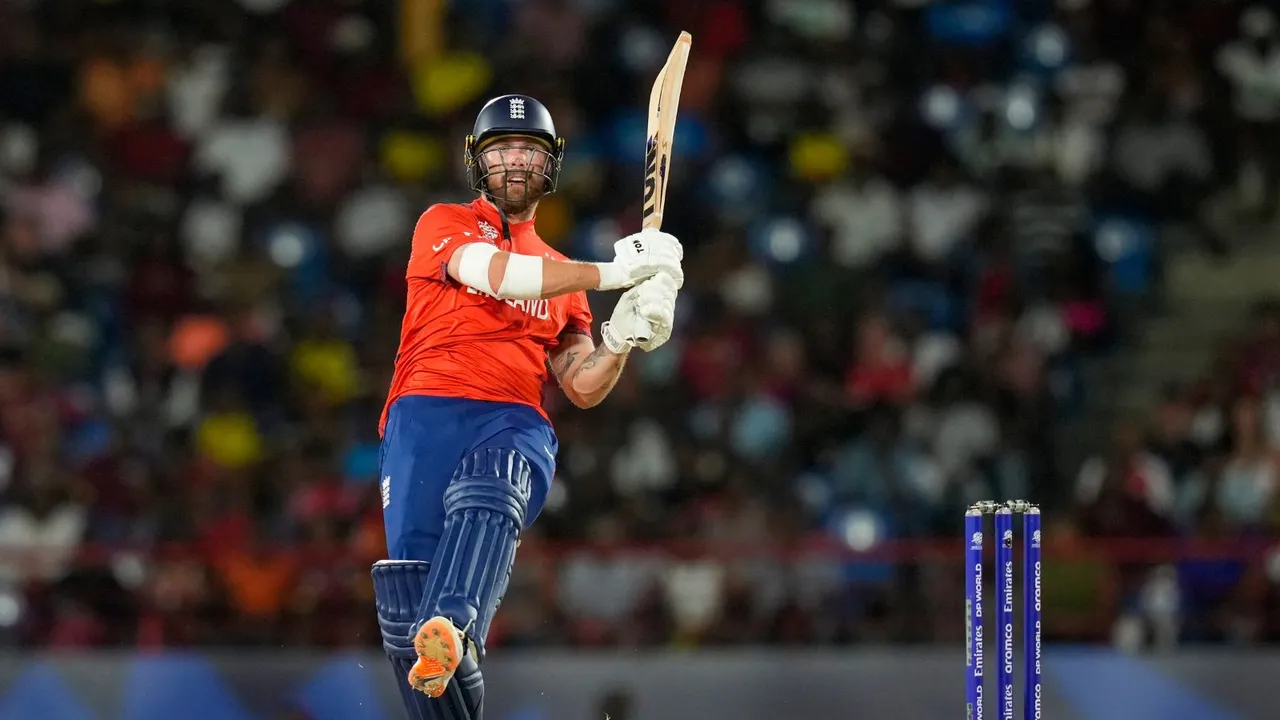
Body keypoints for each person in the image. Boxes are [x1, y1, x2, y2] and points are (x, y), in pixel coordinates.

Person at [370, 94, 683, 720]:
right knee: (411, 628)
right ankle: (448, 642)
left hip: (509, 419)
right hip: (419, 417)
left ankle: (456, 624)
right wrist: (611, 273)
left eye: (530, 152)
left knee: (496, 483)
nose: (515, 162)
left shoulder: (565, 275)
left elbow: (582, 385)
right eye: (502, 151)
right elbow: (493, 273)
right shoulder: (443, 223)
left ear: (551, 166)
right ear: (477, 163)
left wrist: (623, 336)